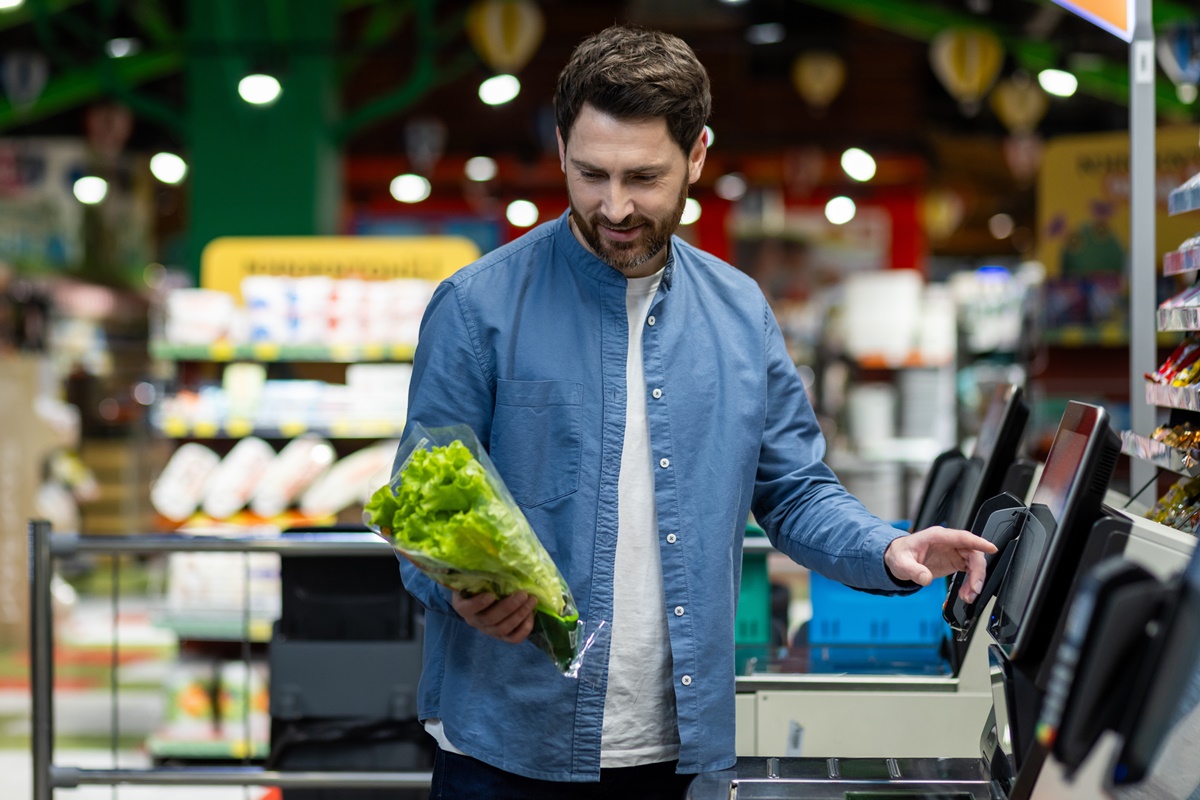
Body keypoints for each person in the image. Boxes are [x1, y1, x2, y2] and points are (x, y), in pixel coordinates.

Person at [396, 24, 996, 800]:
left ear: (698, 157)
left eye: (643, 177)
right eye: (590, 174)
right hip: (505, 749)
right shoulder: (476, 307)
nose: (614, 206)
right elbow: (420, 505)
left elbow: (795, 491)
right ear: (562, 149)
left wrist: (889, 551)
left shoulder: (740, 312)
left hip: (677, 753)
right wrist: (459, 589)